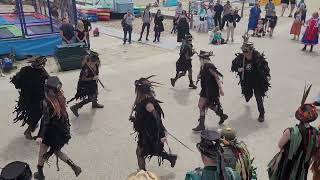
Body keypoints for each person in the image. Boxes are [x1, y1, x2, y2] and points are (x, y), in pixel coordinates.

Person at [33, 76, 82, 180]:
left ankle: (40, 173)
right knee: (57, 151)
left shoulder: (47, 102)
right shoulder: (60, 95)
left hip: (51, 131)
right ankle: (74, 167)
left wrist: (40, 136)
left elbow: (45, 120)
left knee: (43, 150)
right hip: (62, 128)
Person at [267, 85, 320, 180]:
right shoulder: (316, 133)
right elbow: (315, 152)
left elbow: (280, 145)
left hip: (288, 165)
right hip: (304, 166)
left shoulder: (290, 131)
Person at [129, 76, 178, 170]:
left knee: (140, 153)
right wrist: (135, 119)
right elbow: (144, 117)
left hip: (150, 133)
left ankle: (143, 173)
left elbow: (157, 118)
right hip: (147, 132)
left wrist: (161, 133)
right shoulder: (143, 99)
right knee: (152, 150)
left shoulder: (148, 103)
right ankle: (170, 158)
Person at [231, 39, 271, 122]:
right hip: (247, 81)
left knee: (258, 97)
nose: (246, 54)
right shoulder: (241, 58)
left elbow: (265, 67)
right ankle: (248, 96)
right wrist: (239, 69)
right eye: (244, 52)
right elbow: (233, 66)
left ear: (252, 51)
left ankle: (261, 113)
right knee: (247, 95)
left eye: (248, 52)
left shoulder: (258, 57)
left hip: (257, 81)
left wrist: (267, 75)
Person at [11, 57, 49, 140]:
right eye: (41, 64)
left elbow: (48, 80)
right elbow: (16, 81)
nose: (43, 65)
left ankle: (31, 129)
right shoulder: (29, 71)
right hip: (32, 98)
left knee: (38, 114)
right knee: (37, 114)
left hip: (33, 97)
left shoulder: (34, 70)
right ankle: (29, 131)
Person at [192, 51, 228, 132]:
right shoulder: (203, 65)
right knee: (208, 105)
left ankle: (201, 125)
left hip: (211, 90)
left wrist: (221, 89)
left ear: (203, 58)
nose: (199, 59)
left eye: (200, 58)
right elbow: (202, 72)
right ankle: (222, 115)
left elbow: (217, 77)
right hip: (205, 88)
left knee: (201, 105)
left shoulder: (209, 65)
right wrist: (199, 76)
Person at [69, 51, 104, 117]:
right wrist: (92, 78)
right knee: (91, 98)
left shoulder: (96, 63)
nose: (95, 63)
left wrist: (95, 77)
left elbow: (97, 68)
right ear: (90, 60)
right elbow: (83, 79)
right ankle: (75, 107)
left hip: (92, 82)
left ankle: (94, 104)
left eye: (96, 61)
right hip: (85, 84)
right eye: (93, 61)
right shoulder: (86, 68)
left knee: (95, 92)